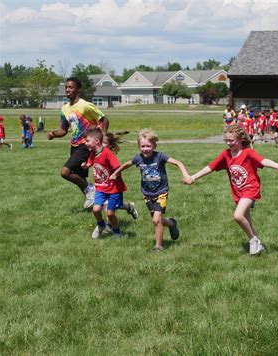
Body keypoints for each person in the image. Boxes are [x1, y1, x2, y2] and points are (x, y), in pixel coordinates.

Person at [187, 124, 278, 255]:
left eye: (231, 140)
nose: (228, 143)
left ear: (240, 139)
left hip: (250, 188)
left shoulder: (248, 152)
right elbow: (210, 167)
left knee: (238, 216)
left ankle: (253, 240)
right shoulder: (226, 154)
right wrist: (193, 177)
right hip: (238, 191)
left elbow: (263, 160)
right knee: (246, 219)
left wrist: (277, 165)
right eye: (226, 140)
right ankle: (258, 244)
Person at [110, 128, 192, 252]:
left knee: (156, 219)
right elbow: (127, 164)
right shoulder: (138, 158)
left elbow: (177, 163)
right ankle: (171, 223)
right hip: (147, 194)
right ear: (139, 146)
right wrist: (115, 173)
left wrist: (185, 175)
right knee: (157, 220)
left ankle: (158, 246)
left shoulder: (160, 156)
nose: (145, 149)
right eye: (142, 146)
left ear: (154, 145)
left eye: (148, 146)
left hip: (161, 193)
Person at [47, 77, 109, 209]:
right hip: (74, 145)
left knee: (65, 172)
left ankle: (91, 191)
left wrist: (103, 136)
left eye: (71, 87)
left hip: (85, 145)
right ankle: (114, 206)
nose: (68, 89)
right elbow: (63, 130)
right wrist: (54, 134)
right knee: (80, 178)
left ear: (78, 89)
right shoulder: (64, 109)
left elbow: (104, 119)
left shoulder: (85, 105)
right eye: (66, 87)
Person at [82, 128, 127, 239]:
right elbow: (91, 161)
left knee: (110, 214)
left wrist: (115, 174)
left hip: (113, 189)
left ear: (97, 141)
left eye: (88, 141)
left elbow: (118, 167)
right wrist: (86, 165)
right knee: (96, 209)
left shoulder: (107, 153)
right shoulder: (92, 153)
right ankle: (101, 225)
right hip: (100, 189)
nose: (86, 143)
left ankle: (117, 232)